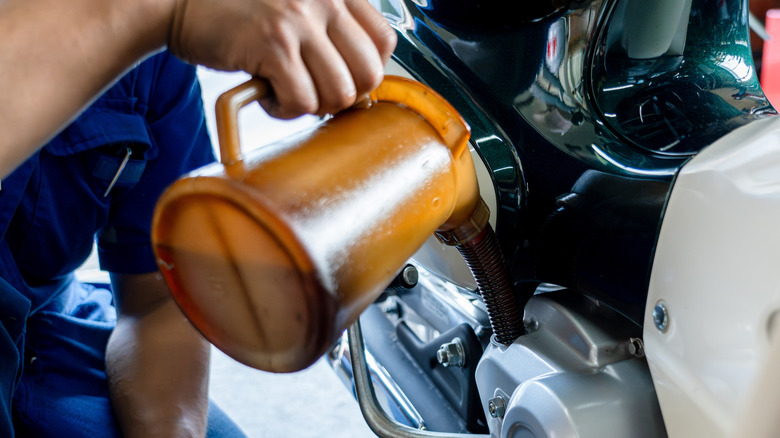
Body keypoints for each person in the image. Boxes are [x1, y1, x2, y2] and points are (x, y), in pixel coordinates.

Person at [0, 0, 396, 436]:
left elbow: (156, 294)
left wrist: (173, 428)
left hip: (45, 317)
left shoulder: (155, 64)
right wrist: (166, 11)